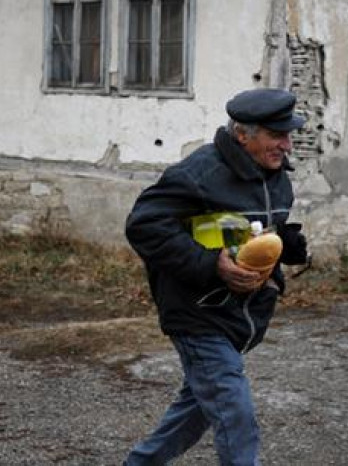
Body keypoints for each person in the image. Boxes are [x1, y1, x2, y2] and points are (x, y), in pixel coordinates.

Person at [123, 88, 310, 466]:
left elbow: (250, 227)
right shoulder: (199, 174)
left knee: (195, 411)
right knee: (234, 412)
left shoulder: (273, 173)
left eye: (288, 134)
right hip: (198, 314)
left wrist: (284, 242)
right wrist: (212, 266)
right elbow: (144, 225)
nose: (287, 144)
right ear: (244, 135)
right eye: (277, 135)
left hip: (240, 316)